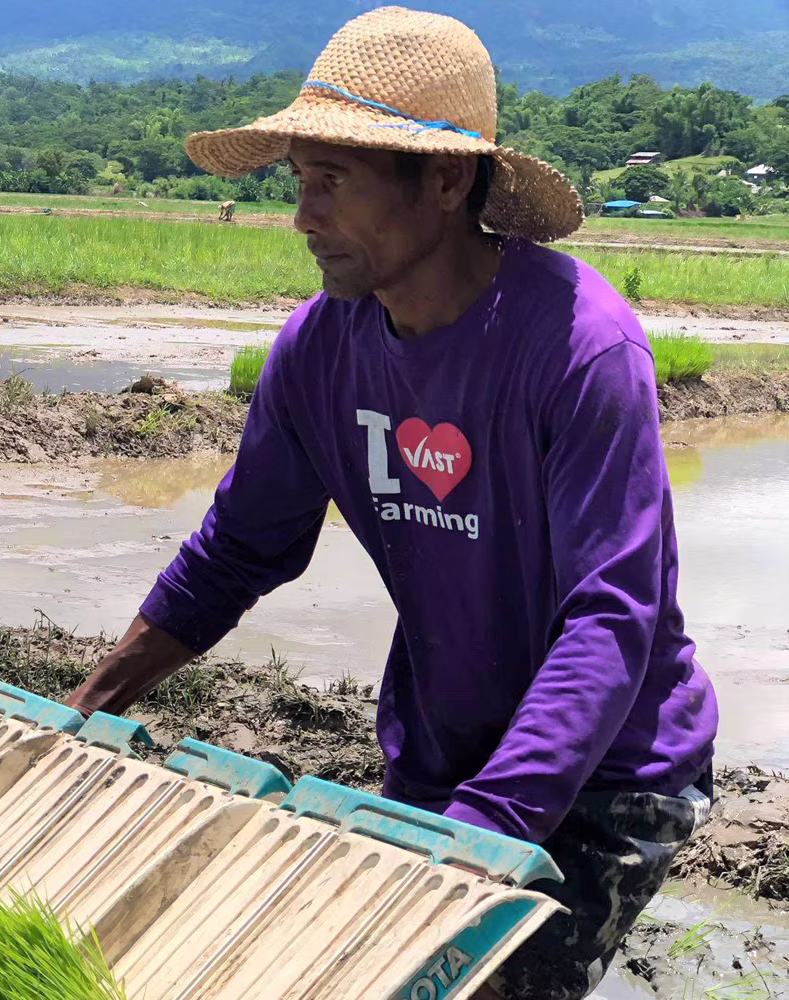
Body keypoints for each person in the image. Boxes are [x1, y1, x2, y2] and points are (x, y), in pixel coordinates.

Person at [63, 8, 718, 999]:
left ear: (448, 180)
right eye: (297, 180)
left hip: (608, 772)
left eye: (333, 182)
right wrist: (91, 703)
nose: (302, 215)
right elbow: (240, 547)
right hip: (445, 749)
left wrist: (479, 837)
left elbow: (608, 619)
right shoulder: (321, 349)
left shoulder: (578, 346)